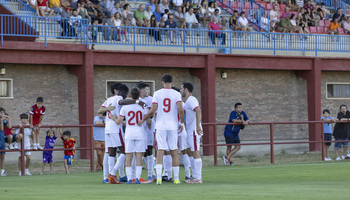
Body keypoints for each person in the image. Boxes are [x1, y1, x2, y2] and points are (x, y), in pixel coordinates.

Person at [138, 74, 185, 185]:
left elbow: (153, 109)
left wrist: (144, 119)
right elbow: (180, 110)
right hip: (172, 125)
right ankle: (176, 178)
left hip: (160, 125)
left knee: (160, 151)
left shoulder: (157, 93)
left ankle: (159, 178)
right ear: (172, 82)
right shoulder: (177, 93)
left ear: (162, 82)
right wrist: (181, 122)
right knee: (173, 151)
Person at [114, 87, 151, 184]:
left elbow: (119, 121)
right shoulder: (142, 106)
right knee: (139, 157)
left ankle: (130, 179)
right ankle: (137, 178)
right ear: (139, 95)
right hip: (140, 133)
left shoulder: (125, 107)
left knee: (129, 157)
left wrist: (113, 118)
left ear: (130, 95)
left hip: (129, 133)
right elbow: (148, 120)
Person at [181, 82, 203, 184]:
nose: (180, 91)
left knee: (195, 152)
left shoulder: (191, 100)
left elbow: (198, 110)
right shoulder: (188, 101)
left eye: (181, 89)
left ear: (186, 90)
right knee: (190, 152)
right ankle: (194, 176)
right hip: (189, 130)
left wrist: (197, 126)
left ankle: (198, 178)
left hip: (193, 130)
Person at [137, 82, 156, 181]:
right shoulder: (139, 101)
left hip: (147, 128)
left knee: (149, 149)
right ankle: (150, 173)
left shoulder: (150, 99)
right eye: (146, 89)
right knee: (142, 151)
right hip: (141, 127)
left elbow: (152, 114)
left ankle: (150, 173)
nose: (148, 91)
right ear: (141, 90)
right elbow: (148, 116)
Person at [0, 108, 8, 176]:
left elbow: (9, 126)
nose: (2, 114)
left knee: (2, 156)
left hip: (2, 140)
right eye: (0, 112)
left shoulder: (3, 120)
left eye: (3, 112)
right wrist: (1, 120)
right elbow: (1, 128)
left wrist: (8, 119)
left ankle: (2, 171)